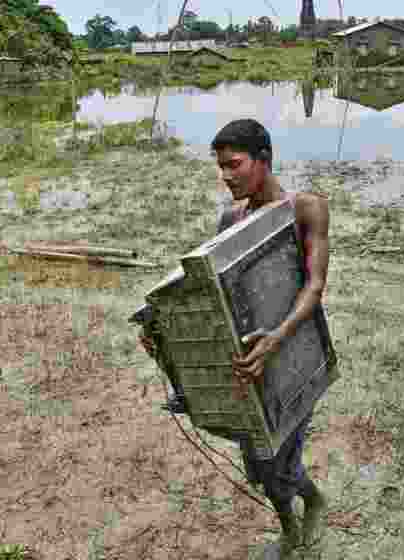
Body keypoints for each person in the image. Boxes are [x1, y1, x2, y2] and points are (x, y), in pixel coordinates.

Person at [138, 119, 330, 557]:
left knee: (279, 460)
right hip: (246, 360)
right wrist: (165, 335)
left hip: (290, 355)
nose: (226, 176)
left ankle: (311, 503)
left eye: (235, 165)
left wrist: (277, 339)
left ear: (265, 160)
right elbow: (219, 290)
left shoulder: (306, 208)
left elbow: (314, 287)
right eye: (221, 167)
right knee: (258, 466)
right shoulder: (231, 217)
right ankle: (289, 523)